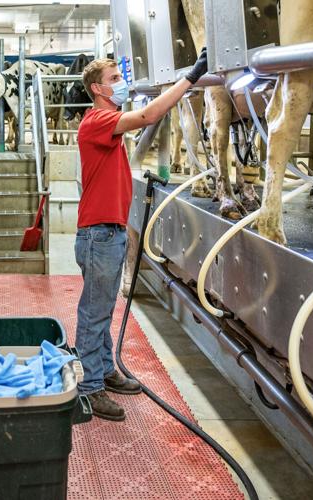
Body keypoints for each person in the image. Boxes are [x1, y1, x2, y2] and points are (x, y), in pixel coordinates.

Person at [75, 50, 208, 421]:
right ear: (98, 89)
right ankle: (88, 389)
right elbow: (150, 115)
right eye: (116, 79)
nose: (122, 83)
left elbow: (144, 119)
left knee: (101, 309)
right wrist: (192, 77)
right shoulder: (97, 120)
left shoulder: (110, 123)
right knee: (94, 311)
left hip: (107, 231)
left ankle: (103, 370)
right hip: (98, 235)